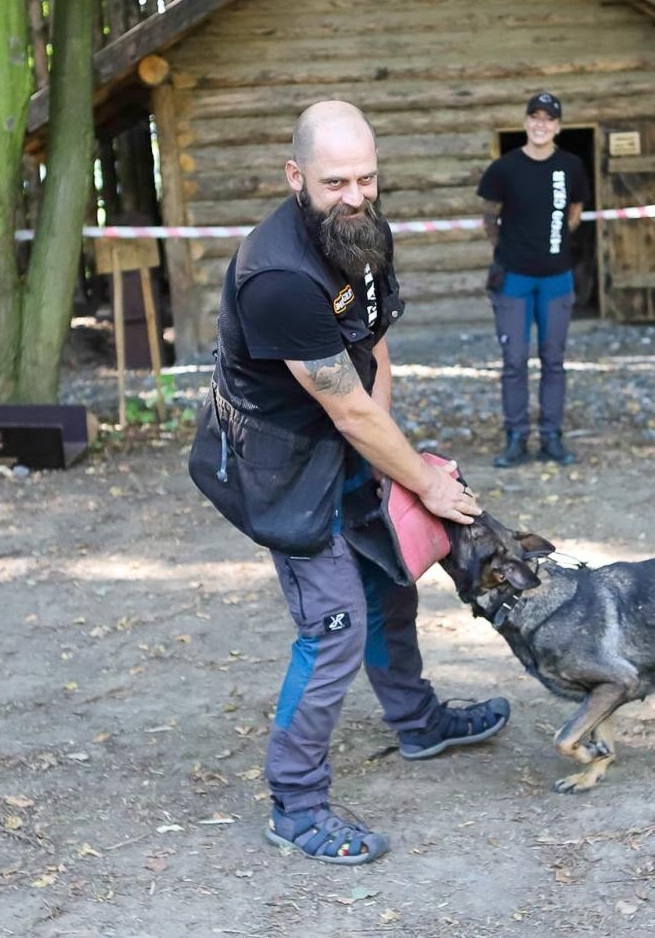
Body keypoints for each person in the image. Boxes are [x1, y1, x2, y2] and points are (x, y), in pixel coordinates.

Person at [202, 101, 511, 865]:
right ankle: (296, 804)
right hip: (278, 465)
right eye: (335, 180)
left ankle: (417, 722)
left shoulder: (362, 229)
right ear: (295, 175)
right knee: (334, 624)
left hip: (347, 441)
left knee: (390, 583)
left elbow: (373, 356)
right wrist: (425, 485)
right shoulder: (277, 275)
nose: (354, 195)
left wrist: (386, 470)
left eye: (367, 178)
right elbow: (342, 406)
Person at [477, 92, 589, 468]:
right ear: (526, 122)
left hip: (557, 278)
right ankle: (515, 438)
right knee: (514, 360)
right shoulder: (504, 169)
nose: (541, 124)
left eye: (549, 119)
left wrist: (552, 243)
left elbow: (574, 211)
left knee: (554, 359)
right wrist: (510, 250)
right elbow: (489, 219)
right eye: (535, 117)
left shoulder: (571, 166)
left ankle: (552, 437)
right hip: (514, 278)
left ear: (558, 126)